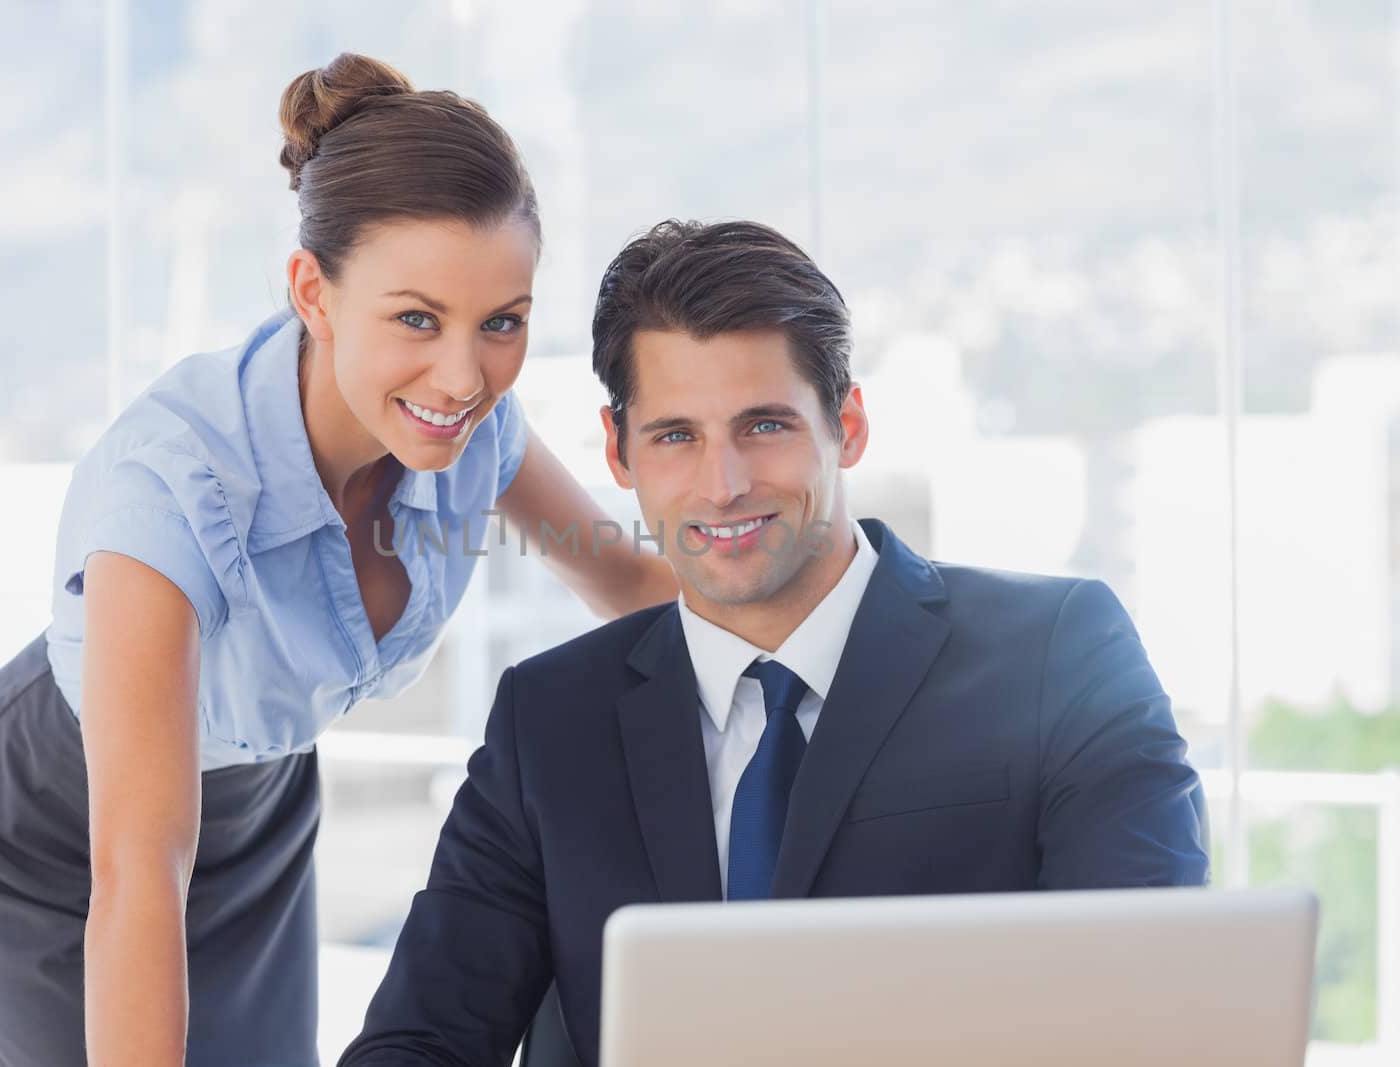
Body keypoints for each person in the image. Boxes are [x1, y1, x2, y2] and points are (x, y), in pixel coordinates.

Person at [0, 54, 677, 1067]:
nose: (464, 374)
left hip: (259, 792)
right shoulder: (169, 492)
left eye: (501, 321)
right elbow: (138, 865)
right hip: (63, 818)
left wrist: (829, 647)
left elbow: (624, 581)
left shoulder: (475, 432)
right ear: (311, 293)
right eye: (416, 317)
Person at [340, 219, 1211, 1067]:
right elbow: (423, 1035)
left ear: (849, 425)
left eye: (764, 426)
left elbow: (1155, 999)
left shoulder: (1058, 656)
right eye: (676, 436)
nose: (723, 486)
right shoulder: (550, 719)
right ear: (618, 452)